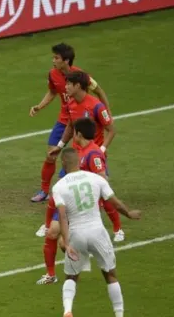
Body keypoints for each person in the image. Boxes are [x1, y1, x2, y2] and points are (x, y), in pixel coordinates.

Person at [53, 148, 141, 317]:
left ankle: (68, 310)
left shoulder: (59, 187)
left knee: (71, 276)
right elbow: (114, 203)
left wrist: (66, 241)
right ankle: (119, 314)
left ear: (63, 163)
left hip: (76, 234)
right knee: (110, 275)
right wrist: (129, 213)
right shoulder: (95, 179)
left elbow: (63, 217)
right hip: (97, 232)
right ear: (78, 161)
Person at [36, 118, 122, 285]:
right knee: (53, 234)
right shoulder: (78, 151)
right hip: (69, 200)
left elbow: (102, 179)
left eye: (73, 131)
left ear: (78, 134)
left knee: (61, 240)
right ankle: (51, 274)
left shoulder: (94, 153)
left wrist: (97, 201)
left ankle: (82, 260)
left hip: (82, 206)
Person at [30, 43, 110, 203]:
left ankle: (99, 185)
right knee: (50, 155)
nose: (53, 60)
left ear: (66, 61)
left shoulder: (81, 76)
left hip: (81, 121)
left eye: (56, 58)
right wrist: (39, 106)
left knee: (85, 154)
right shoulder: (53, 75)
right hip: (65, 120)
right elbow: (52, 92)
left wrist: (106, 113)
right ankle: (44, 191)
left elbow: (99, 91)